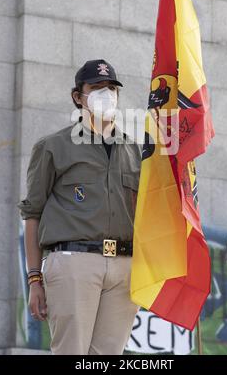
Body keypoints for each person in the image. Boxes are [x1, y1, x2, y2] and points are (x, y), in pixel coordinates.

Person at [17, 59, 142, 355]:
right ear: (78, 96)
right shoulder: (52, 146)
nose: (106, 94)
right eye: (97, 87)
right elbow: (32, 213)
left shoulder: (136, 150)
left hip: (125, 265)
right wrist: (34, 278)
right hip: (74, 261)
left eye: (111, 88)